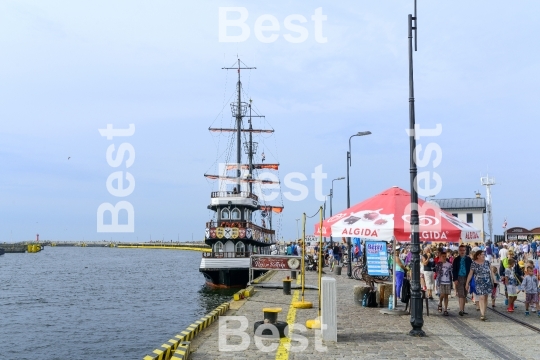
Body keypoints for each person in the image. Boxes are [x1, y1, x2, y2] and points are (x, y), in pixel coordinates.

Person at [466, 250, 493, 321]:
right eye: (482, 254)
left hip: (487, 282)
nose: (483, 255)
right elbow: (470, 274)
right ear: (478, 256)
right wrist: (467, 283)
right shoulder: (474, 263)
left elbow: (492, 272)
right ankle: (482, 314)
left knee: (486, 297)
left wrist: (495, 280)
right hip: (479, 282)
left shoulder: (487, 262)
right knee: (481, 297)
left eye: (484, 254)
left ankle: (484, 311)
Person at [452, 245, 472, 316]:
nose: (462, 252)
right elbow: (454, 270)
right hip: (459, 277)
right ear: (458, 251)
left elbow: (471, 270)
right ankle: (460, 309)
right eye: (461, 250)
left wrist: (470, 279)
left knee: (465, 294)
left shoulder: (468, 259)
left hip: (467, 278)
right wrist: (455, 279)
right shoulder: (456, 259)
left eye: (463, 250)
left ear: (465, 251)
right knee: (461, 294)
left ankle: (463, 309)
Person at [435, 251, 452, 316]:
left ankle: (445, 309)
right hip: (441, 281)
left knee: (446, 295)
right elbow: (436, 272)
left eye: (445, 256)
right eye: (443, 256)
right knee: (442, 294)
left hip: (447, 281)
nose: (444, 258)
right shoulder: (438, 264)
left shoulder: (449, 264)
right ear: (440, 257)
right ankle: (440, 302)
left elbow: (451, 272)